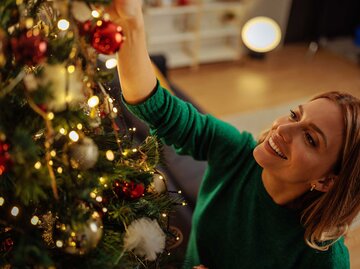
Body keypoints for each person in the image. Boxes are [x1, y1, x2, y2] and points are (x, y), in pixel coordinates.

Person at [108, 0, 360, 268]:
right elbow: (159, 109)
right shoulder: (238, 151)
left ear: (326, 181)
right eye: (295, 115)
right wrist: (130, 24)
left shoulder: (324, 258)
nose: (283, 129)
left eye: (310, 139)